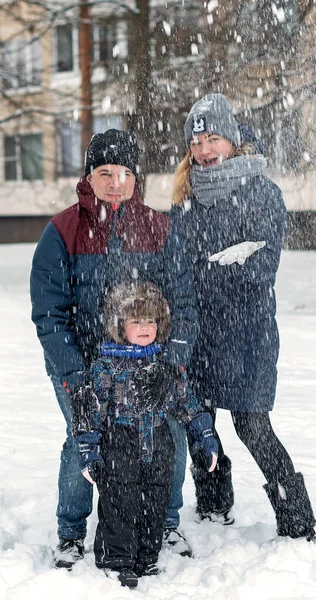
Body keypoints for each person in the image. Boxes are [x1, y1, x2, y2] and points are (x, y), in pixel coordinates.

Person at [30, 129, 198, 569]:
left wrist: (173, 359)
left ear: (136, 177)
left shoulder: (160, 227)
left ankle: (165, 522)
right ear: (90, 176)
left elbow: (183, 300)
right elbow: (49, 313)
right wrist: (75, 375)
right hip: (82, 366)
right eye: (106, 172)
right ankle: (71, 532)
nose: (116, 182)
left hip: (147, 365)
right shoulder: (62, 230)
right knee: (82, 442)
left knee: (167, 438)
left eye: (125, 173)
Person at [170, 92, 315, 540]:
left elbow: (260, 266)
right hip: (198, 332)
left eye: (213, 138)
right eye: (197, 142)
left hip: (246, 334)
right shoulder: (186, 198)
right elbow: (177, 265)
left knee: (252, 425)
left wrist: (214, 265)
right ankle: (213, 507)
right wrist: (216, 264)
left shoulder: (261, 190)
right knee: (199, 422)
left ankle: (298, 520)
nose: (205, 149)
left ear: (232, 140)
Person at [72, 282, 218, 588]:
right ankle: (117, 559)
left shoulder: (164, 367)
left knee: (154, 500)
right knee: (120, 501)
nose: (144, 328)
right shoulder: (105, 367)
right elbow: (90, 411)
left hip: (159, 441)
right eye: (135, 321)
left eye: (150, 321)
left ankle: (146, 556)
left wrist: (204, 434)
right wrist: (89, 450)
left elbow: (186, 402)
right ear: (119, 325)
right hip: (121, 443)